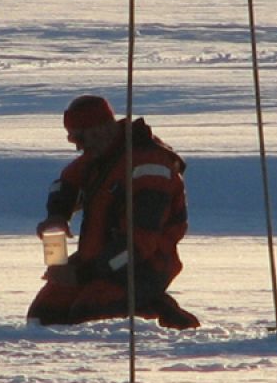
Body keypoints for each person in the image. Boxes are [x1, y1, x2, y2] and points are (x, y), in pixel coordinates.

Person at [29, 94, 200, 329]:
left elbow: (139, 245)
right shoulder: (102, 155)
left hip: (142, 266)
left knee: (90, 312)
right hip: (96, 260)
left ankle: (164, 315)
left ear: (102, 128)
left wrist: (84, 274)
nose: (78, 145)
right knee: (46, 314)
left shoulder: (148, 166)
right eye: (72, 137)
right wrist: (57, 215)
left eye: (80, 136)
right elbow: (66, 182)